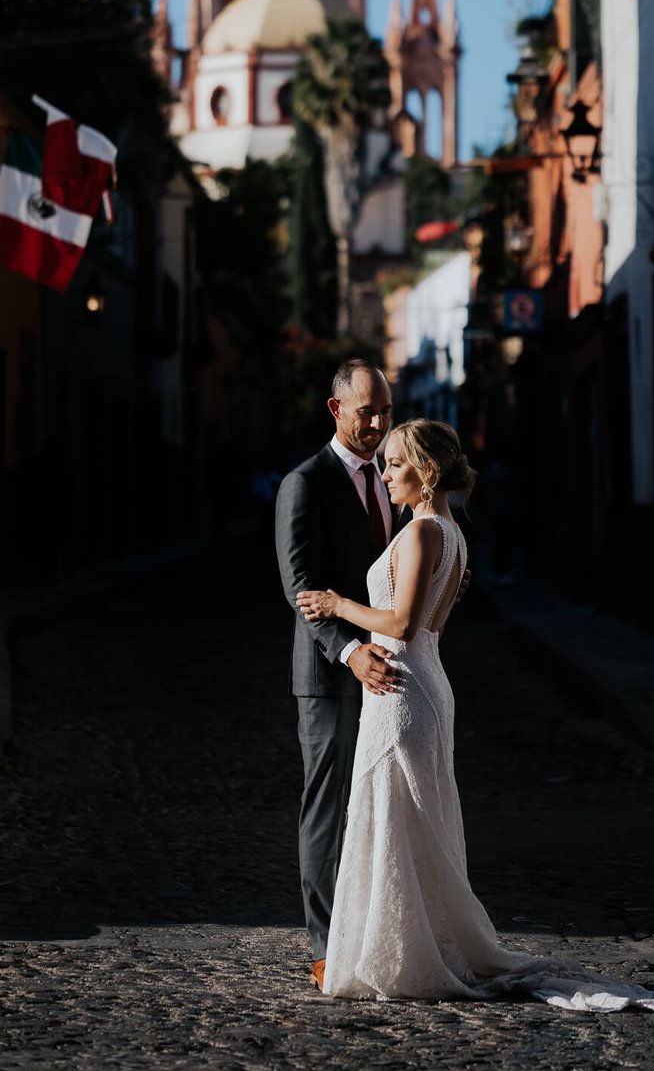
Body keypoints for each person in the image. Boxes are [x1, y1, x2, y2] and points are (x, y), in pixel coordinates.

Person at [297, 419, 654, 1012]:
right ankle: (397, 943)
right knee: (411, 825)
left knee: (400, 823)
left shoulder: (423, 533)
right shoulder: (450, 533)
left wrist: (337, 604)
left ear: (425, 471)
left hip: (404, 690)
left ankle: (403, 953)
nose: (385, 473)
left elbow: (404, 626)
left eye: (395, 463)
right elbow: (432, 626)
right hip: (423, 682)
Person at [275, 360, 401, 993]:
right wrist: (350, 651)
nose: (378, 422)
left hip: (390, 671)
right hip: (330, 674)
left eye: (385, 410)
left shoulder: (388, 480)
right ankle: (325, 944)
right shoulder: (306, 483)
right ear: (336, 410)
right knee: (326, 807)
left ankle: (373, 929)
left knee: (375, 805)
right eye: (365, 411)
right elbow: (301, 589)